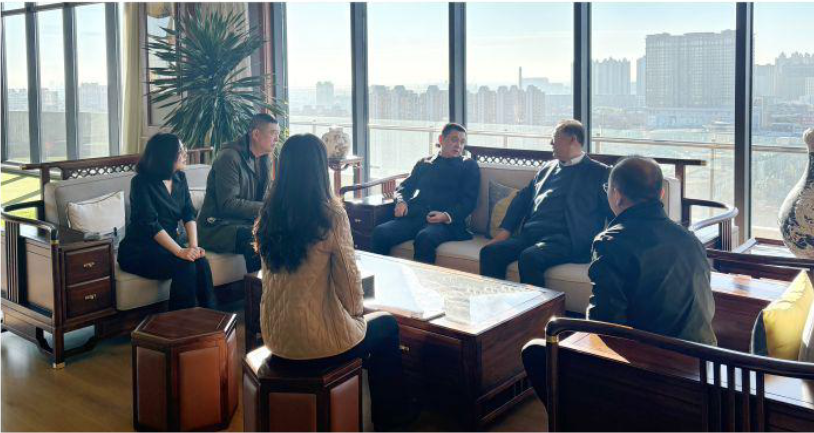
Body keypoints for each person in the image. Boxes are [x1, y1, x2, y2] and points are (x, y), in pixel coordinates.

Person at [520, 156, 717, 406]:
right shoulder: (689, 239)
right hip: (703, 365)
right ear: (661, 193)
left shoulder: (612, 241)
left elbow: (605, 324)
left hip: (655, 373)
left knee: (536, 353)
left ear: (616, 195)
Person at [254, 133, 416, 431]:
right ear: (320, 168)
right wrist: (357, 316)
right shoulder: (330, 214)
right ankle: (393, 421)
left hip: (276, 338)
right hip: (316, 345)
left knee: (368, 327)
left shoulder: (269, 212)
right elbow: (349, 284)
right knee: (387, 325)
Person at [479, 119, 612, 287]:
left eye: (554, 138)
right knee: (490, 252)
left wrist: (608, 248)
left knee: (530, 257)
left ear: (572, 140)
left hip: (567, 240)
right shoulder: (547, 168)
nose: (551, 143)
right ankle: (496, 301)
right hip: (531, 235)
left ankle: (536, 305)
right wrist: (505, 232)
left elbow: (612, 211)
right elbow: (522, 199)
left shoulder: (600, 172)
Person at [118, 133, 215, 310]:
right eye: (181, 151)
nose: (185, 154)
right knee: (185, 266)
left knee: (201, 262)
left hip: (168, 246)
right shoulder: (140, 183)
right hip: (140, 250)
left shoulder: (180, 177)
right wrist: (180, 251)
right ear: (166, 156)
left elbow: (188, 213)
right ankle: (179, 323)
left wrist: (193, 247)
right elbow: (151, 224)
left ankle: (210, 317)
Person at [371, 123, 480, 264]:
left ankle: (421, 279)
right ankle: (382, 275)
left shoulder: (469, 165)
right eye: (454, 140)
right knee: (381, 232)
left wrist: (445, 216)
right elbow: (404, 187)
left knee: (425, 238)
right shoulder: (424, 163)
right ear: (441, 140)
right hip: (416, 217)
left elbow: (469, 202)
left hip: (447, 224)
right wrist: (401, 202)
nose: (458, 145)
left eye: (462, 142)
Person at [198, 113, 280, 273]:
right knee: (254, 236)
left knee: (282, 229)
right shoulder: (229, 157)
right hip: (216, 226)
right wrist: (267, 208)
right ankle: (255, 286)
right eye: (273, 133)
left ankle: (277, 285)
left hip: (244, 222)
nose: (277, 139)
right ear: (256, 134)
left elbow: (267, 196)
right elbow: (228, 204)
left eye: (278, 134)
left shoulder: (265, 159)